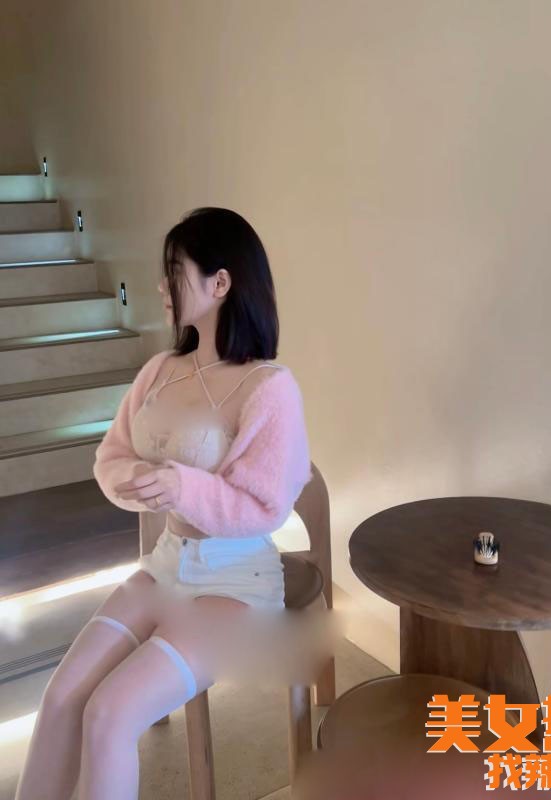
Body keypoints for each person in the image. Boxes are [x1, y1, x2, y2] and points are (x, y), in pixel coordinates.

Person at [15, 207, 315, 800]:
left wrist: (181, 487)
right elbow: (112, 455)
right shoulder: (159, 370)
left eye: (174, 271)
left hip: (238, 582)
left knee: (109, 716)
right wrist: (136, 480)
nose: (160, 285)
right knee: (63, 697)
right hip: (167, 563)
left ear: (220, 283)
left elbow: (266, 507)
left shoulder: (269, 387)